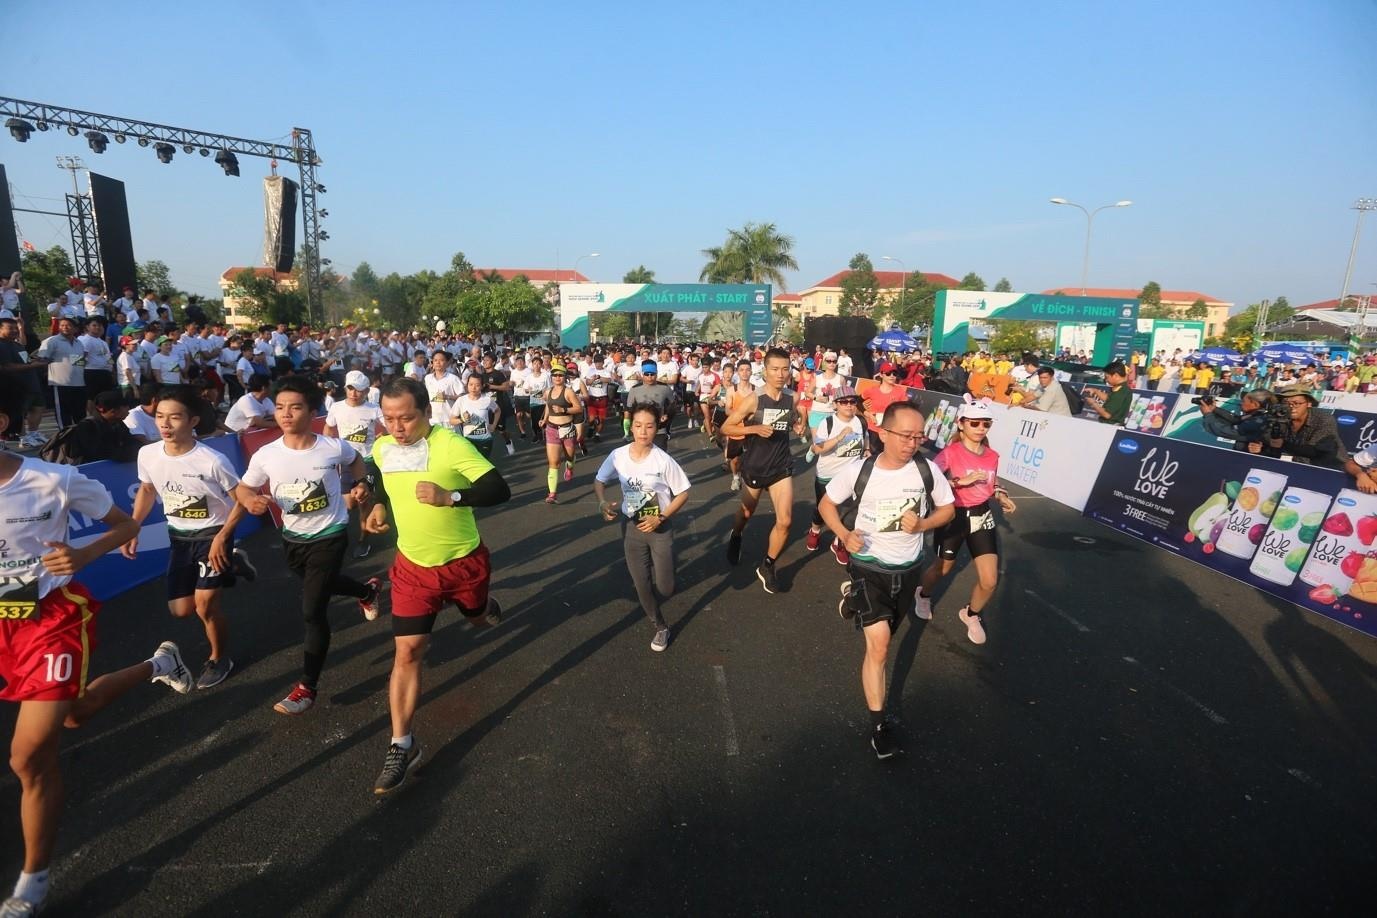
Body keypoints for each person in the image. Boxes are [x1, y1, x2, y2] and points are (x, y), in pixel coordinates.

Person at [0, 409, 193, 918]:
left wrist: (83, 556)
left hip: (51, 620)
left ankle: (32, 879)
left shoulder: (53, 479)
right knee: (75, 713)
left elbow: (127, 523)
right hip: (3, 626)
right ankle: (158, 664)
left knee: (27, 757)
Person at [362, 377, 511, 794]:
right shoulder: (382, 446)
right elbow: (377, 473)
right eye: (389, 418)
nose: (396, 427)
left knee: (478, 619)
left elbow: (499, 488)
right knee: (408, 650)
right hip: (412, 568)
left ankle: (483, 609)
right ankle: (402, 744)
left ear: (427, 412)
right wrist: (376, 502)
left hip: (464, 563)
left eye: (406, 418)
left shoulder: (450, 445)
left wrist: (453, 498)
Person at [234, 376, 382, 715]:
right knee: (323, 584)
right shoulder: (266, 454)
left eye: (295, 407)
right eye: (280, 407)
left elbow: (356, 461)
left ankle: (306, 687)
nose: (285, 414)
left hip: (330, 534)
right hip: (293, 538)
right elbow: (244, 489)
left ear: (312, 410)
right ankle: (365, 592)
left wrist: (362, 483)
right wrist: (251, 500)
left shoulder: (331, 448)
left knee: (312, 610)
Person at [817, 401, 955, 760]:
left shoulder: (926, 470)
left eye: (918, 436)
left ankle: (851, 600)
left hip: (907, 569)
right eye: (905, 435)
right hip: (868, 566)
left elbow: (948, 509)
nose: (912, 443)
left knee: (886, 633)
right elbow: (826, 506)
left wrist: (923, 524)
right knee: (878, 646)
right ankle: (879, 725)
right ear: (883, 433)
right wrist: (844, 535)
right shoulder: (860, 470)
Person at [122, 387, 255, 690]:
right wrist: (133, 528)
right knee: (180, 611)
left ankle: (219, 658)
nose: (165, 424)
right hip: (180, 538)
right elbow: (146, 490)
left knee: (205, 607)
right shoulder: (148, 453)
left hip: (212, 535)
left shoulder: (212, 459)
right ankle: (232, 563)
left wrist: (223, 536)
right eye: (159, 417)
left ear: (193, 420)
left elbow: (241, 498)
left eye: (174, 417)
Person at [915, 399, 1017, 645]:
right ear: (961, 425)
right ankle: (923, 593)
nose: (981, 428)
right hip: (954, 516)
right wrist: (961, 482)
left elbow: (992, 482)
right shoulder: (951, 453)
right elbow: (930, 483)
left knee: (990, 580)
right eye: (975, 423)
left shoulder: (992, 455)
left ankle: (970, 613)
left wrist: (1001, 495)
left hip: (982, 516)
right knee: (943, 568)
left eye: (986, 424)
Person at [594, 404, 692, 653]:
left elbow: (683, 493)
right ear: (631, 426)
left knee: (666, 588)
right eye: (638, 425)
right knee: (641, 584)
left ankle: (665, 570)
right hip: (632, 528)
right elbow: (599, 480)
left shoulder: (663, 460)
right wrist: (602, 501)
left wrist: (660, 517)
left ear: (657, 428)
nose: (643, 431)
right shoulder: (618, 455)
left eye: (649, 426)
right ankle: (660, 626)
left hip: (660, 528)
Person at [721, 347, 802, 595]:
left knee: (786, 521)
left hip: (781, 466)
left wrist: (800, 426)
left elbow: (796, 419)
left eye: (785, 369)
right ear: (765, 371)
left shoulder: (793, 397)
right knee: (745, 513)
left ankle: (767, 565)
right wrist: (753, 430)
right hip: (755, 465)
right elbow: (726, 427)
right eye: (775, 369)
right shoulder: (754, 399)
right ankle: (736, 535)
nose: (780, 374)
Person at [324, 370, 386, 559]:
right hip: (346, 462)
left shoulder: (374, 408)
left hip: (367, 460)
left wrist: (385, 436)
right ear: (345, 388)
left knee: (362, 504)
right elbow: (328, 427)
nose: (353, 393)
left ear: (366, 391)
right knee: (348, 504)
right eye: (350, 388)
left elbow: (389, 425)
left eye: (358, 390)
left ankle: (363, 540)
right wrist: (328, 446)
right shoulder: (336, 407)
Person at [804, 385, 867, 563]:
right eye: (844, 402)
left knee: (849, 513)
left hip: (851, 476)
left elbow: (866, 440)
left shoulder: (860, 422)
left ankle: (839, 542)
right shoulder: (828, 423)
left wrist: (867, 451)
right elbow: (818, 448)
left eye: (852, 401)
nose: (849, 405)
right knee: (822, 509)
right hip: (827, 474)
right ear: (836, 405)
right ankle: (815, 530)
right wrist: (839, 437)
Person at [38, 391, 140, 466]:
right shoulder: (87, 428)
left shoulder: (117, 424)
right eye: (126, 406)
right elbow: (102, 454)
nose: (129, 410)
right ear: (113, 411)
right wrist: (131, 453)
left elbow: (131, 443)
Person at [1269, 384, 1347, 469]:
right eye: (1285, 403)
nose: (1291, 407)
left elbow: (1315, 451)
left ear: (1309, 403)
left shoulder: (1324, 419)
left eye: (1296, 403)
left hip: (1330, 468)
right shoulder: (1279, 416)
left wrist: (1283, 444)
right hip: (1297, 465)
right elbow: (1270, 440)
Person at [0, 317, 48, 449]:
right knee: (15, 414)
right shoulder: (1, 345)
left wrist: (35, 363)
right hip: (12, 386)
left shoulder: (16, 344)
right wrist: (32, 366)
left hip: (30, 383)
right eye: (10, 328)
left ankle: (31, 435)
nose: (14, 330)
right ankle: (14, 439)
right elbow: (6, 367)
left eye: (16, 328)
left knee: (37, 407)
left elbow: (24, 353)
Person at [540, 362, 583, 503]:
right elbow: (548, 406)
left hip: (567, 428)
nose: (557, 378)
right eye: (555, 375)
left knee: (570, 456)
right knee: (554, 462)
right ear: (551, 377)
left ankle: (570, 467)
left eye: (560, 375)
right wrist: (544, 419)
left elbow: (579, 408)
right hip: (552, 429)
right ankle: (552, 494)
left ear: (565, 377)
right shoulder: (548, 392)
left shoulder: (568, 392)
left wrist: (564, 410)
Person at [1198, 389, 1284, 457]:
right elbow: (1237, 419)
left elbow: (1224, 431)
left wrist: (1207, 414)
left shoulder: (1259, 421)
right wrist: (1214, 409)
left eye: (1243, 401)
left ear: (1255, 404)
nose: (1241, 403)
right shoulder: (1263, 414)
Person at [36, 317, 87, 428]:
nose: (65, 327)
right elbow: (41, 359)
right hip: (60, 384)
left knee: (80, 415)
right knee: (64, 416)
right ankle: (64, 441)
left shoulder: (79, 343)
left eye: (68, 325)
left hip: (78, 384)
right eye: (62, 325)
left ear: (75, 328)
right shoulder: (52, 341)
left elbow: (78, 363)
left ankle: (81, 440)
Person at [624, 360, 674, 450]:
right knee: (642, 455)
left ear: (657, 373)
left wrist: (667, 416)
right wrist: (627, 428)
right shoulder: (635, 389)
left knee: (659, 456)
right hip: (640, 430)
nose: (650, 377)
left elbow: (672, 406)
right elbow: (628, 410)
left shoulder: (665, 388)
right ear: (642, 374)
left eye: (652, 374)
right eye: (647, 374)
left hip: (659, 429)